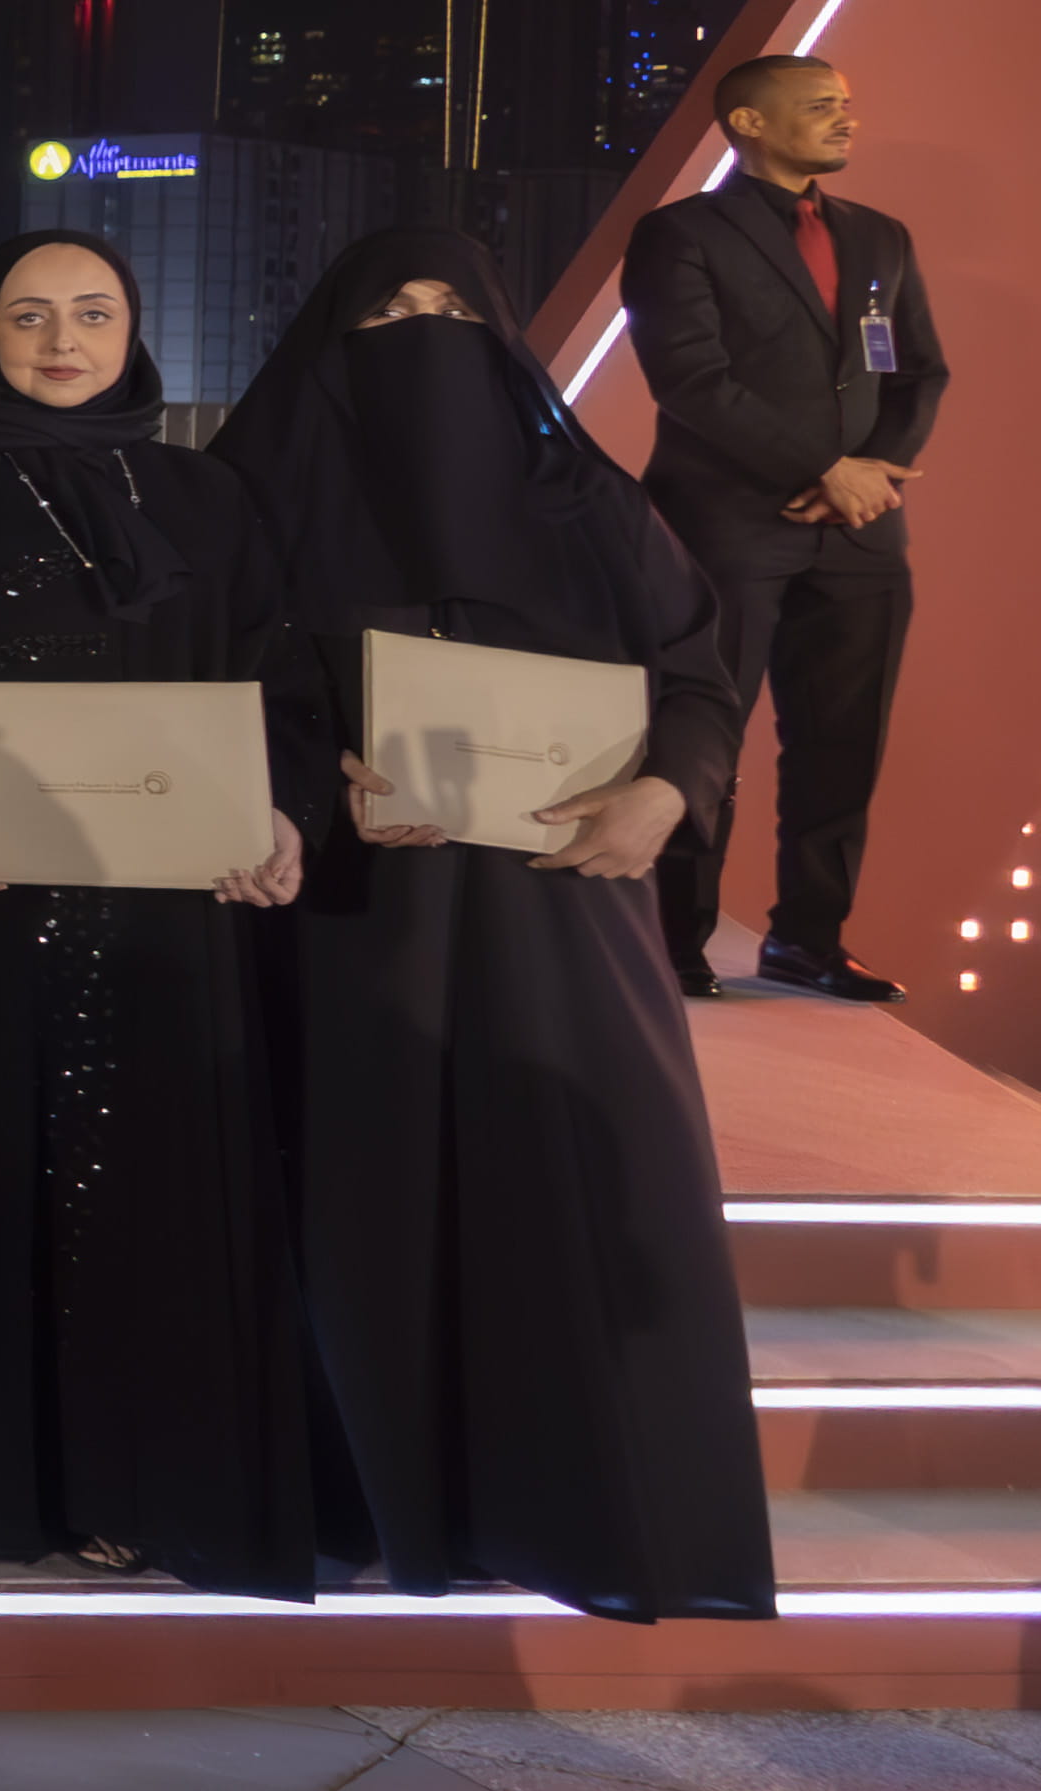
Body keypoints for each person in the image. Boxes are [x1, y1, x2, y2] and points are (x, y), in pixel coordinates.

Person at [218, 230, 774, 1621]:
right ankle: (376, 1503)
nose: (423, 335)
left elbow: (697, 679)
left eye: (452, 309)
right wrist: (314, 780)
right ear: (330, 339)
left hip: (564, 912)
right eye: (387, 312)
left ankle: (590, 1516)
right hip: (360, 918)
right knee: (366, 1197)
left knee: (574, 1191)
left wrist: (667, 793)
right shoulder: (257, 502)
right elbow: (223, 687)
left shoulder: (591, 502)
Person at [0, 230, 326, 1594]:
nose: (62, 340)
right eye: (30, 314)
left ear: (133, 327)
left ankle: (129, 1481)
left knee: (145, 1186)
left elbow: (278, 677)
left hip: (165, 903)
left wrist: (283, 807)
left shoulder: (204, 491)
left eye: (94, 312)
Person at [628, 51, 945, 1001]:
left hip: (861, 533)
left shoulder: (879, 235)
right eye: (820, 105)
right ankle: (672, 940)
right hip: (726, 526)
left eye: (845, 103)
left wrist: (870, 477)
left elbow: (918, 372)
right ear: (749, 122)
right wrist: (821, 469)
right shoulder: (679, 233)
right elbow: (690, 379)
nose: (846, 119)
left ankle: (808, 939)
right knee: (701, 732)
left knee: (843, 742)